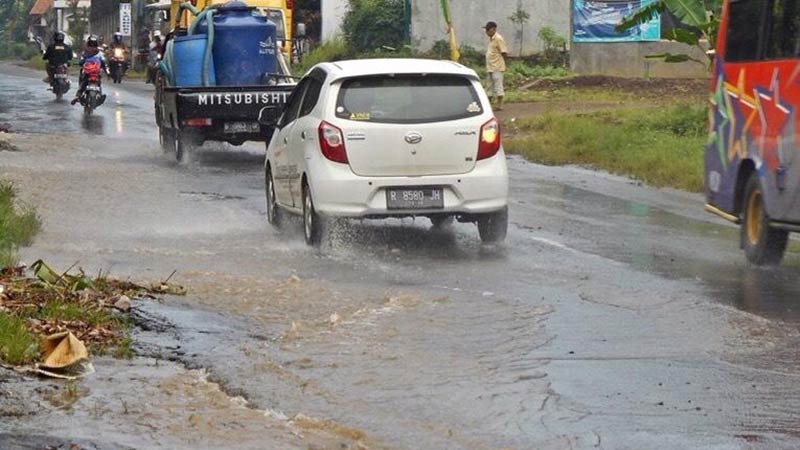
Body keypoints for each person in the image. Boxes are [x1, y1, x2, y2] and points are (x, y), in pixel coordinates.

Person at [71, 35, 107, 105]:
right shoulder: (86, 52)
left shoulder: (99, 53)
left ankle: (99, 95)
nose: (92, 46)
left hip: (96, 73)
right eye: (91, 44)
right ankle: (78, 96)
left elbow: (103, 62)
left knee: (98, 82)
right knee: (83, 81)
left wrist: (106, 70)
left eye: (94, 44)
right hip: (87, 72)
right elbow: (81, 61)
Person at [483, 21, 508, 111]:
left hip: (497, 67)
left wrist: (503, 63)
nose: (486, 32)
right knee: (489, 86)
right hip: (490, 67)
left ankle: (500, 105)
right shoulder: (491, 39)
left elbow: (504, 52)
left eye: (487, 30)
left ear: (493, 29)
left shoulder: (498, 38)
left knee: (498, 86)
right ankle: (488, 105)